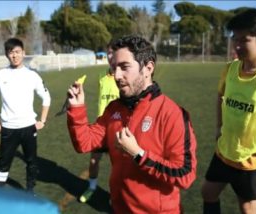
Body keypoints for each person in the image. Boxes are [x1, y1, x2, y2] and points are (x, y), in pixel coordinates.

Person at [67, 35, 197, 213]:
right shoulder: (114, 109)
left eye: (124, 67)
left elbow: (185, 174)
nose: (116, 75)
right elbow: (84, 143)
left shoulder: (172, 113)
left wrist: (139, 154)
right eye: (114, 68)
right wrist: (77, 108)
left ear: (148, 68)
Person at [201, 9, 256, 214]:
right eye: (234, 38)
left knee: (247, 209)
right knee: (208, 192)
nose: (236, 45)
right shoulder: (231, 68)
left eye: (244, 39)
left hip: (252, 160)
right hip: (225, 151)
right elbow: (220, 96)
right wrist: (219, 127)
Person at [0, 38, 51, 193]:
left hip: (29, 127)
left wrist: (42, 120)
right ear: (6, 55)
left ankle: (30, 191)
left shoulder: (32, 75)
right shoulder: (0, 75)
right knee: (3, 163)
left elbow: (46, 97)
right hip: (8, 128)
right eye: (11, 52)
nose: (14, 55)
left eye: (17, 52)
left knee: (31, 162)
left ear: (23, 53)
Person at [79, 42, 119, 203]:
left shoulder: (123, 77)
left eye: (114, 53)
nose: (110, 56)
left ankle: (116, 194)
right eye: (108, 53)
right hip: (101, 126)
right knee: (94, 159)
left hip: (118, 127)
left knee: (118, 164)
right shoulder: (102, 75)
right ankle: (92, 187)